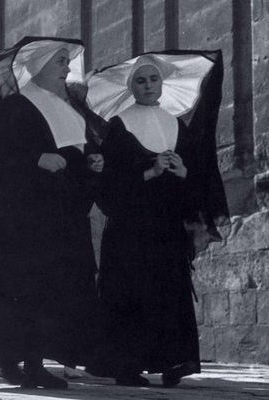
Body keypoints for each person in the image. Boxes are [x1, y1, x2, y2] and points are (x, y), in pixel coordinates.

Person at [0, 37, 107, 389]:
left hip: (60, 220)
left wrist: (91, 163)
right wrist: (35, 160)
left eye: (66, 61)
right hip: (21, 222)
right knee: (23, 291)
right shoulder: (15, 106)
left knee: (51, 293)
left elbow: (73, 160)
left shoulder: (68, 110)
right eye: (60, 61)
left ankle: (32, 361)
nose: (66, 68)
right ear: (40, 66)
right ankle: (20, 363)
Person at [93, 53, 228, 387]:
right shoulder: (119, 126)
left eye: (154, 80)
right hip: (129, 229)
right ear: (131, 87)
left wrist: (183, 173)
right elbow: (106, 186)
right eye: (141, 80)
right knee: (132, 295)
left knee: (170, 293)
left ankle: (174, 362)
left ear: (162, 84)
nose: (149, 86)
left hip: (166, 228)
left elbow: (195, 183)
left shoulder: (176, 124)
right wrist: (149, 172)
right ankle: (128, 367)